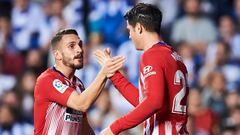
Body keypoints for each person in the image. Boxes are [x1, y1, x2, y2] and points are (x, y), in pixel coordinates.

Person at [94, 3, 189, 135]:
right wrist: (113, 74)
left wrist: (114, 128)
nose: (129, 36)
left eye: (129, 30)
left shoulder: (152, 55)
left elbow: (154, 102)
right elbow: (144, 102)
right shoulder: (175, 57)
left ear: (139, 28)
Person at [33, 29, 125, 135]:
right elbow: (81, 104)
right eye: (72, 46)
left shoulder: (79, 85)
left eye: (80, 45)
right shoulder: (47, 80)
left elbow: (84, 128)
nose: (80, 50)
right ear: (57, 55)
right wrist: (104, 73)